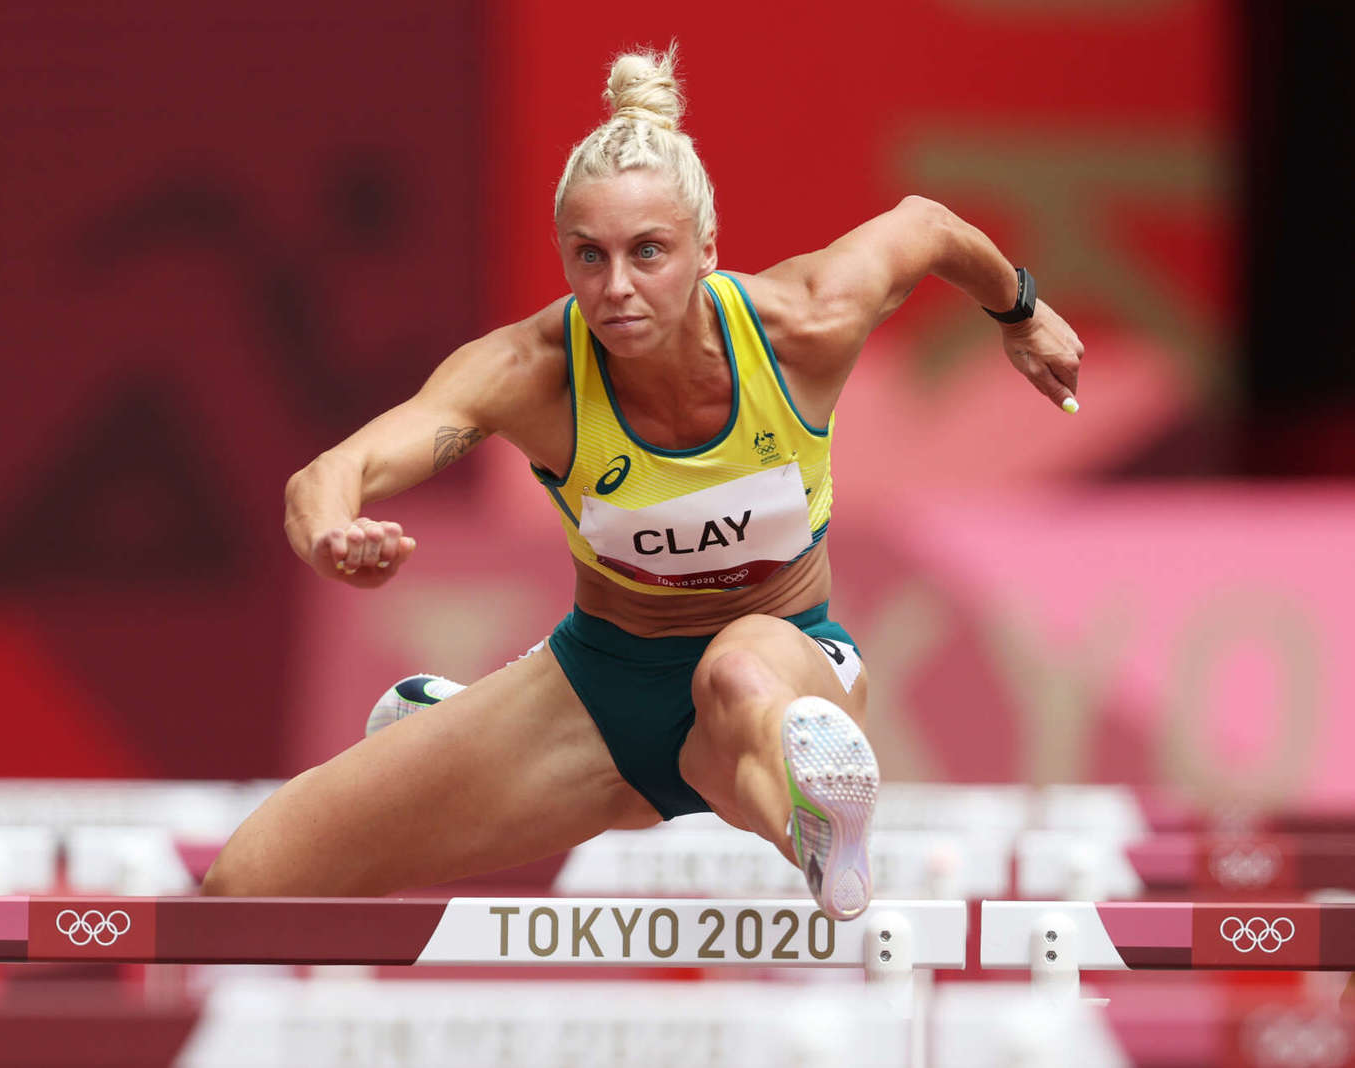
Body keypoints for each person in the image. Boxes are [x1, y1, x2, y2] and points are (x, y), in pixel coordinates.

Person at [201, 45, 1082, 919]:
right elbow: (333, 473)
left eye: (647, 253)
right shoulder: (528, 372)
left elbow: (927, 224)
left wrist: (1023, 310)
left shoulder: (803, 322)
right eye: (588, 257)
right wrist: (331, 532)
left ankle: (824, 836)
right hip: (599, 691)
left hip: (781, 659)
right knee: (246, 884)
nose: (616, 288)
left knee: (736, 679)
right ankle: (467, 732)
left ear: (707, 249)